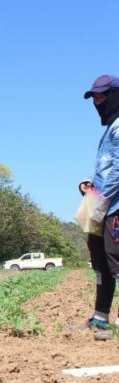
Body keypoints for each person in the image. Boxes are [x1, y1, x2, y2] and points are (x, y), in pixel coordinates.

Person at [80, 74, 119, 335]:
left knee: (116, 262)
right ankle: (100, 317)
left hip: (114, 208)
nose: (98, 102)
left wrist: (97, 198)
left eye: (103, 96)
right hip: (103, 207)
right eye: (95, 98)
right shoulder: (111, 128)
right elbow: (107, 169)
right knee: (101, 264)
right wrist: (88, 184)